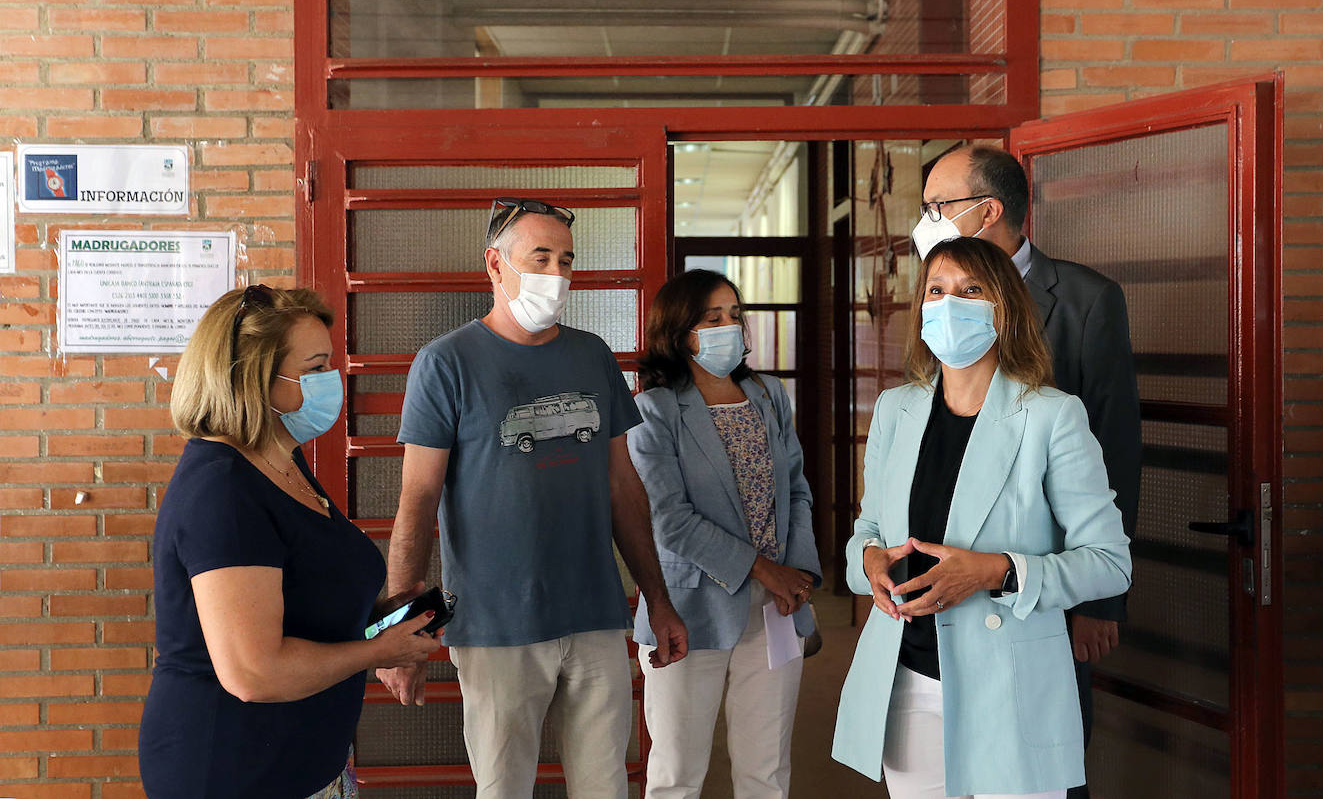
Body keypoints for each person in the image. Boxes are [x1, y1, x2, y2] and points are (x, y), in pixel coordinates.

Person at [378, 197, 690, 799]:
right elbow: (416, 502)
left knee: (605, 787)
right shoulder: (446, 363)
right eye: (539, 257)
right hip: (495, 623)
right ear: (495, 265)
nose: (556, 274)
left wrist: (658, 599)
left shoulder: (591, 354)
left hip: (594, 613)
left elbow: (624, 486)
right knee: (504, 789)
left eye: (566, 260)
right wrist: (401, 630)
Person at [831, 236, 1132, 798]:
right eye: (937, 291)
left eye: (972, 291)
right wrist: (868, 562)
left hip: (1012, 690)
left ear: (1006, 309)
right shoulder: (897, 411)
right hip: (909, 684)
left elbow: (1109, 564)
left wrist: (996, 571)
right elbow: (867, 532)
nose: (950, 305)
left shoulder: (1052, 416)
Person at [139, 285, 442, 799]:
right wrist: (377, 650)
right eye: (316, 368)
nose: (334, 383)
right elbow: (254, 671)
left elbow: (304, 598)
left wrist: (381, 619)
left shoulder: (283, 460)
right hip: (230, 769)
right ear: (254, 379)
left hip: (304, 761)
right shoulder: (223, 489)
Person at [912, 146, 1142, 797]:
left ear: (988, 211)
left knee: (1044, 763)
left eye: (938, 206)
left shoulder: (1085, 300)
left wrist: (1098, 601)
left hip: (1043, 580)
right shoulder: (933, 292)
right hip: (944, 576)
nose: (926, 221)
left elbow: (1116, 448)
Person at [627, 269, 823, 799]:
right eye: (712, 318)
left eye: (734, 315)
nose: (728, 328)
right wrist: (765, 569)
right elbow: (671, 520)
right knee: (675, 774)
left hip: (776, 608)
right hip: (689, 610)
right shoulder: (654, 411)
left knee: (766, 770)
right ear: (679, 331)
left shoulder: (768, 395)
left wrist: (799, 575)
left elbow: (797, 491)